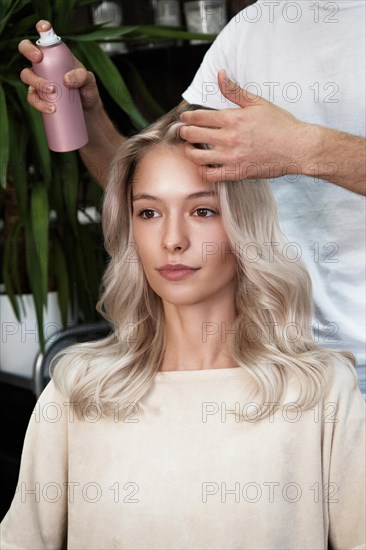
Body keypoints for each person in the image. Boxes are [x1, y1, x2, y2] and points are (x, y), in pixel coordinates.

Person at [1, 104, 365, 549]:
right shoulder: (77, 391)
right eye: (149, 213)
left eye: (203, 211)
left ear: (244, 228)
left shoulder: (320, 391)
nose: (173, 239)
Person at [18, 4, 366, 398]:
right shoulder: (253, 29)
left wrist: (306, 148)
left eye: (203, 212)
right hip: (275, 356)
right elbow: (156, 176)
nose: (173, 239)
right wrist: (89, 117)